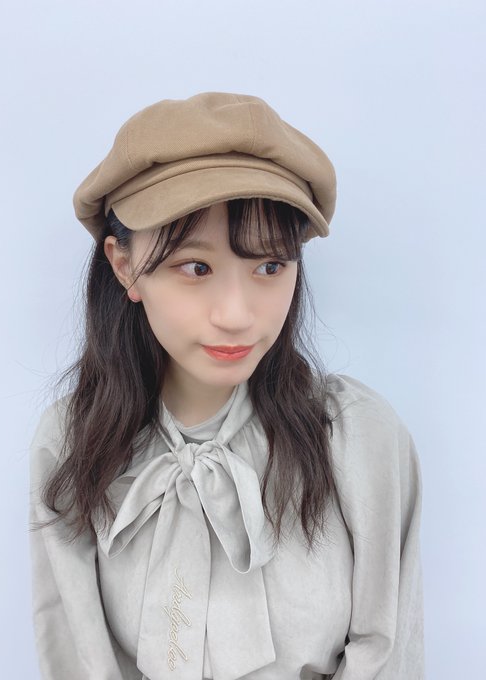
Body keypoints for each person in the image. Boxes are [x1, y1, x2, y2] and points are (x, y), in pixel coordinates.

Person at [28, 92, 424, 680]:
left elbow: (388, 653)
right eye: (196, 267)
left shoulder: (359, 437)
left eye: (270, 266)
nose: (237, 314)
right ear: (124, 264)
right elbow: (77, 657)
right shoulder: (73, 440)